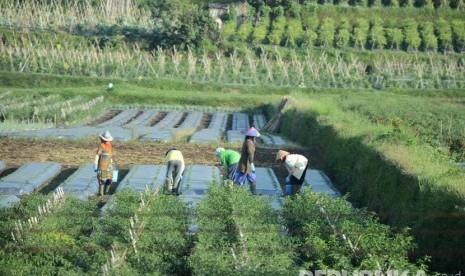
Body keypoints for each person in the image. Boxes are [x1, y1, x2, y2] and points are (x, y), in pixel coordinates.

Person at [234, 127, 260, 195]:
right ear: (252, 136)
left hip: (247, 165)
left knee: (252, 179)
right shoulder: (249, 142)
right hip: (245, 165)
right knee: (240, 179)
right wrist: (251, 163)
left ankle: (254, 194)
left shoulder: (247, 141)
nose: (255, 138)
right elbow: (250, 152)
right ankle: (235, 194)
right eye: (255, 137)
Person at [94, 130, 115, 196]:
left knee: (109, 179)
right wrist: (95, 164)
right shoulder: (101, 146)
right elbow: (97, 156)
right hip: (103, 166)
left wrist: (112, 162)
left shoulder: (110, 146)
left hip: (109, 166)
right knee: (102, 180)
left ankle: (106, 192)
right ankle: (101, 193)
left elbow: (110, 156)